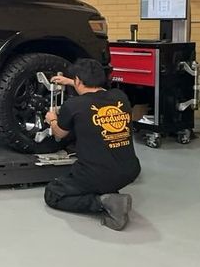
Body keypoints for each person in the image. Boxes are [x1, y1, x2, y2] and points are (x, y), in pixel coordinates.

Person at [43, 58, 141, 231]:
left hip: (96, 173)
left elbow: (59, 134)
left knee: (53, 194)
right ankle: (109, 193)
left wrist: (52, 119)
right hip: (130, 170)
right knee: (102, 177)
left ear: (78, 81)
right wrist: (70, 82)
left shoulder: (73, 105)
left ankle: (103, 202)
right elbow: (94, 97)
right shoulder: (120, 97)